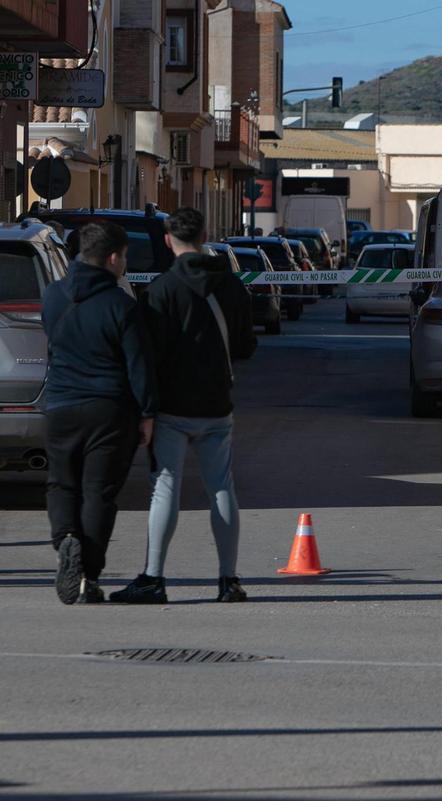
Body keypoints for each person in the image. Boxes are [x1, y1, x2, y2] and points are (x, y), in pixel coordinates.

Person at [110, 208, 256, 605]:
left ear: (167, 239)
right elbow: (245, 346)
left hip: (171, 407)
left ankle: (153, 578)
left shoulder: (160, 290)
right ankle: (228, 580)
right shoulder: (230, 285)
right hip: (216, 403)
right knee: (221, 487)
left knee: (165, 489)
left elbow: (147, 354)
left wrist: (145, 408)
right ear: (206, 234)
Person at [41, 222, 156, 605]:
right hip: (108, 409)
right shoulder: (122, 305)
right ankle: (88, 576)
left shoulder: (54, 297)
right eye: (124, 257)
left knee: (61, 484)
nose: (125, 264)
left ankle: (66, 541)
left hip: (59, 404)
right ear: (112, 258)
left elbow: (54, 345)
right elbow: (138, 364)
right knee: (98, 493)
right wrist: (147, 413)